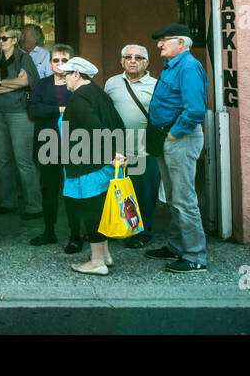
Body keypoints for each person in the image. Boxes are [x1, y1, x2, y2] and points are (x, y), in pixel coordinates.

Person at [145, 23, 210, 273]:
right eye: (159, 40)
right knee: (173, 198)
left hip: (179, 138)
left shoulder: (189, 67)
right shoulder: (174, 66)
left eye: (165, 40)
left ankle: (195, 256)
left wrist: (174, 132)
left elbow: (194, 109)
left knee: (184, 199)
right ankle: (175, 246)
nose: (159, 44)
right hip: (168, 138)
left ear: (181, 43)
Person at [57, 57, 128, 276]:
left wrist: (109, 155)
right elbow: (119, 125)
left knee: (91, 213)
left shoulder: (78, 99)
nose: (63, 79)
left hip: (87, 167)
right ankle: (105, 254)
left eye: (66, 75)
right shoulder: (100, 94)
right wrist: (117, 154)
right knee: (100, 210)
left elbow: (95, 129)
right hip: (102, 167)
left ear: (77, 75)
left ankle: (97, 262)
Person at [103, 44, 158, 249]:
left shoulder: (156, 85)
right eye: (128, 57)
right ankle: (114, 228)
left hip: (143, 149)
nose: (133, 60)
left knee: (143, 193)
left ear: (146, 62)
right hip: (116, 150)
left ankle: (143, 233)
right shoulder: (112, 83)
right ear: (121, 61)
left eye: (138, 57)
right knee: (116, 191)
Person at [27, 44, 81, 250]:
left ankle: (76, 235)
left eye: (64, 60)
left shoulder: (79, 83)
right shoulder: (41, 85)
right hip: (47, 145)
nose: (59, 64)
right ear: (50, 64)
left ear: (72, 62)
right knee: (48, 191)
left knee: (74, 191)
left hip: (75, 145)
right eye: (56, 60)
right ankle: (49, 231)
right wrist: (60, 109)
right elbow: (34, 110)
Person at [0, 25, 41, 218]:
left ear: (14, 40)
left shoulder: (23, 58)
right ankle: (7, 202)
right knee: (3, 160)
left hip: (19, 113)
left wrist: (1, 83)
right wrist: (8, 85)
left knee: (24, 160)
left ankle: (34, 206)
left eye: (5, 38)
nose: (1, 41)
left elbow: (24, 83)